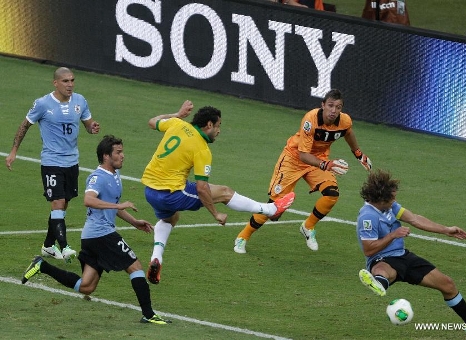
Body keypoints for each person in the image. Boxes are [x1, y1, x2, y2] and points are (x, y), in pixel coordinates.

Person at [141, 101, 295, 284]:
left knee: (170, 219)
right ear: (209, 125)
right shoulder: (201, 149)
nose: (219, 131)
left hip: (149, 190)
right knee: (224, 192)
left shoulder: (176, 124)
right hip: (171, 193)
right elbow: (201, 188)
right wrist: (216, 213)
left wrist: (178, 114)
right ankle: (270, 209)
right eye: (218, 126)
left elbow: (152, 121)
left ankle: (156, 257)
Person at [22, 135, 168, 325]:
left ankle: (42, 265)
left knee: (87, 286)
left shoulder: (114, 175)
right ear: (106, 156)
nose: (123, 156)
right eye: (118, 152)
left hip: (92, 237)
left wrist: (133, 222)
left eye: (122, 151)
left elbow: (109, 205)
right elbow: (88, 200)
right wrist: (118, 206)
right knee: (135, 266)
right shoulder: (98, 177)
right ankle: (148, 314)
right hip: (102, 235)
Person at [356, 169, 466, 335]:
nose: (395, 200)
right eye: (393, 197)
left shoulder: (390, 206)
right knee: (385, 270)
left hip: (402, 255)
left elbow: (415, 219)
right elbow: (369, 249)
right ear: (381, 199)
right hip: (381, 258)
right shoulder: (367, 217)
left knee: (448, 284)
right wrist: (394, 234)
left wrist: (446, 230)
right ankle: (378, 281)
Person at [234, 89, 372, 254]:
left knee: (331, 194)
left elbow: (348, 132)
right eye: (330, 106)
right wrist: (326, 165)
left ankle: (308, 226)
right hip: (294, 159)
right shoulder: (311, 120)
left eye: (338, 107)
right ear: (323, 105)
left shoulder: (344, 121)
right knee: (274, 210)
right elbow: (304, 155)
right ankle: (243, 236)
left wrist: (358, 153)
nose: (334, 111)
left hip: (319, 160)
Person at [6, 67, 100, 262]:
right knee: (57, 202)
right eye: (65, 81)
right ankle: (64, 247)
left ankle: (48, 246)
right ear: (55, 83)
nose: (70, 85)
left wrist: (92, 128)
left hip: (72, 162)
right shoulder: (42, 104)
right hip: (51, 161)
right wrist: (14, 150)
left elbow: (88, 124)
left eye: (72, 80)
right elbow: (25, 125)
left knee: (63, 205)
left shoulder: (80, 101)